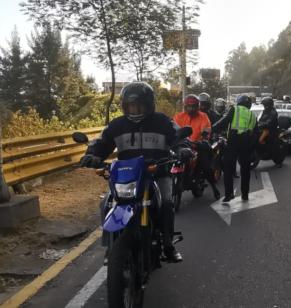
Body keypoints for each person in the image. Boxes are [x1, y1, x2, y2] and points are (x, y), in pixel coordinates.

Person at [80, 81, 182, 263]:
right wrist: (91, 155)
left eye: (139, 106)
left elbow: (177, 136)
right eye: (130, 106)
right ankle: (111, 247)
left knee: (166, 203)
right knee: (106, 203)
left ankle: (168, 245)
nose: (134, 110)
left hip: (157, 173)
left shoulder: (162, 121)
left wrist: (183, 148)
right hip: (127, 176)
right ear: (124, 107)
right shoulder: (117, 125)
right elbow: (102, 143)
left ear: (149, 105)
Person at [173, 95, 221, 200]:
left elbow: (207, 129)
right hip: (181, 146)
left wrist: (204, 136)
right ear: (185, 107)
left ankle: (214, 187)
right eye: (189, 107)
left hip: (197, 146)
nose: (191, 109)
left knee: (206, 167)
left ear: (197, 106)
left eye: (193, 106)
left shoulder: (203, 116)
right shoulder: (178, 117)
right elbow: (173, 130)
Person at [212, 95, 258, 202]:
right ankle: (245, 195)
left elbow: (224, 121)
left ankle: (229, 195)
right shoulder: (252, 115)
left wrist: (211, 128)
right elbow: (256, 133)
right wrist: (252, 147)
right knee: (245, 170)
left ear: (239, 102)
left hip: (233, 142)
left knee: (227, 167)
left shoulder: (235, 109)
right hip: (246, 144)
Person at [258, 97, 282, 168]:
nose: (264, 106)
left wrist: (265, 124)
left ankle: (278, 161)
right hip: (264, 129)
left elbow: (270, 120)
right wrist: (258, 123)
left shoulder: (273, 112)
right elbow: (261, 119)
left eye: (264, 104)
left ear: (268, 105)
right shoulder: (265, 111)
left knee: (273, 144)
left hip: (271, 130)